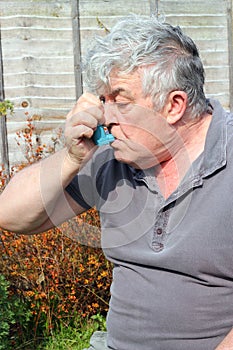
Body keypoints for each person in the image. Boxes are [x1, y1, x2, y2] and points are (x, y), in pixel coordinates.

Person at [0, 14, 233, 350]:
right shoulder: (113, 156)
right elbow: (11, 215)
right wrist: (71, 159)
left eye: (120, 102)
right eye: (103, 101)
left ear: (174, 105)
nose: (105, 118)